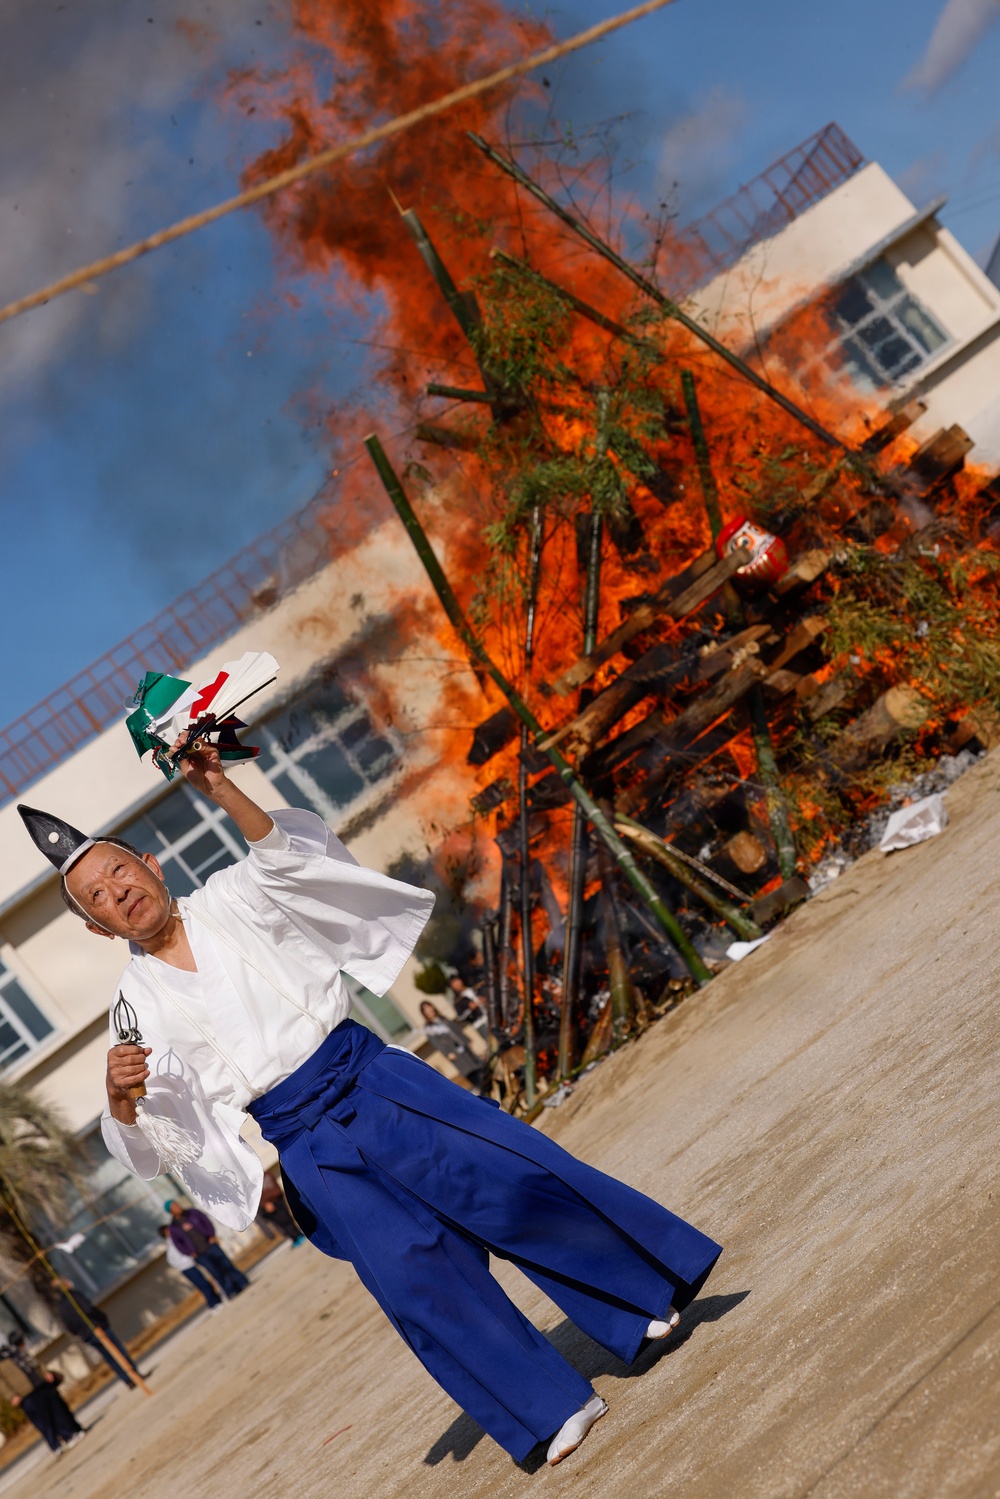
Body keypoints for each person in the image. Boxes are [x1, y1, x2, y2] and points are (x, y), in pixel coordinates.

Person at [19, 752, 721, 1469]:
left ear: (150, 861)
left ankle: (637, 1301)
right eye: (98, 897)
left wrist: (220, 786)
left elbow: (290, 858)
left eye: (120, 872)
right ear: (97, 929)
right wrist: (119, 1099)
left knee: (512, 1178)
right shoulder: (135, 1010)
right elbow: (156, 1135)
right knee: (417, 1276)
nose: (119, 892)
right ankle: (550, 1404)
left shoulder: (232, 896)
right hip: (304, 1140)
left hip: (371, 1077)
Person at [0, 1332, 84, 1456]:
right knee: (43, 1421)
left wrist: (45, 1372)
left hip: (39, 1383)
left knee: (57, 1410)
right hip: (25, 1393)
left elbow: (33, 1362)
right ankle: (56, 1445)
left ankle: (70, 1434)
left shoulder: (14, 1350)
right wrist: (11, 1396)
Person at [52, 1279, 144, 1390]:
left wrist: (82, 1332)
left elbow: (70, 1327)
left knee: (110, 1357)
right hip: (96, 1328)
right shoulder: (75, 1296)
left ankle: (127, 1380)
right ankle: (134, 1374)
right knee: (118, 1351)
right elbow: (89, 1309)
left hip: (87, 1335)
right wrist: (101, 1319)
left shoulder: (61, 1307)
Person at [164, 1200, 249, 1299]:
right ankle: (231, 1291)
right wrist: (190, 1252)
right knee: (216, 1272)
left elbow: (206, 1222)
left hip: (210, 1245)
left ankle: (241, 1282)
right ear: (171, 1211)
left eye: (177, 1204)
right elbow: (178, 1243)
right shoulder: (174, 1227)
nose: (178, 1206)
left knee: (226, 1265)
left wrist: (212, 1235)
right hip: (200, 1254)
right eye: (174, 1206)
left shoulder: (193, 1213)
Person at [419, 1000, 485, 1090]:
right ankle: (482, 1089)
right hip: (453, 1051)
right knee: (469, 1070)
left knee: (478, 1065)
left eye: (429, 1006)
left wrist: (467, 1040)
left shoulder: (443, 1019)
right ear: (424, 1013)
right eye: (425, 1009)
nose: (429, 1010)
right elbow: (437, 1043)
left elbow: (456, 1030)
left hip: (463, 1046)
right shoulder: (429, 1027)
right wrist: (448, 1053)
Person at [157, 1224, 223, 1310]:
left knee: (205, 1283)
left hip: (190, 1264)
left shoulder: (174, 1240)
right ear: (165, 1233)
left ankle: (217, 1300)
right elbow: (172, 1259)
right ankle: (213, 1304)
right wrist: (183, 1263)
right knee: (203, 1285)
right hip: (186, 1267)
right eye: (168, 1230)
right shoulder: (171, 1243)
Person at [256, 1169, 305, 1246]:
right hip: (269, 1204)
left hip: (278, 1200)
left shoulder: (266, 1173)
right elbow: (258, 1195)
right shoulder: (253, 1181)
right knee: (282, 1222)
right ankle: (295, 1237)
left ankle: (297, 1235)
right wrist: (265, 1203)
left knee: (286, 1219)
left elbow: (275, 1185)